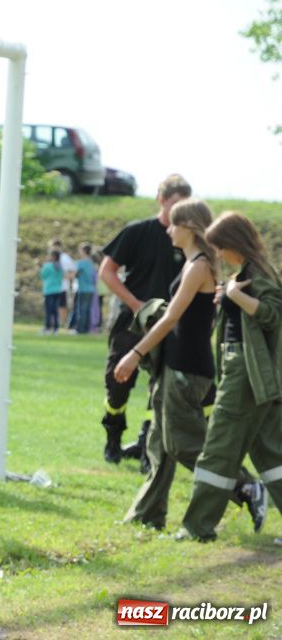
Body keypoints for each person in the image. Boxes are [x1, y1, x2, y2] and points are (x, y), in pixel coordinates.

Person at [114, 200, 262, 531]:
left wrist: (135, 353)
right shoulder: (191, 263)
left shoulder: (199, 267)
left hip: (186, 369)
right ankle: (148, 516)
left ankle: (246, 485)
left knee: (182, 443)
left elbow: (171, 319)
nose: (168, 229)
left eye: (174, 224)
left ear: (190, 227)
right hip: (178, 365)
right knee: (160, 444)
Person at [177, 212, 282, 542]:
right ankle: (199, 525)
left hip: (245, 373)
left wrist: (235, 296)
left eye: (220, 248)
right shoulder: (252, 272)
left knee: (218, 449)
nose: (218, 255)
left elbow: (272, 315)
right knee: (270, 453)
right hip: (251, 374)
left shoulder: (257, 275)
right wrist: (230, 297)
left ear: (234, 244)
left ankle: (197, 528)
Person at [98, 175, 189, 466]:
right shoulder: (138, 231)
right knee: (118, 383)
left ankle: (145, 444)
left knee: (160, 389)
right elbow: (107, 272)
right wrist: (137, 305)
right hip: (132, 321)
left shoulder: (189, 239)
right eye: (175, 203)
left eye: (185, 205)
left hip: (171, 325)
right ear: (161, 200)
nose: (180, 210)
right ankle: (113, 440)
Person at [73, 243, 96, 335]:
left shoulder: (81, 263)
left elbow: (75, 274)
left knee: (81, 310)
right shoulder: (91, 262)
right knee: (87, 310)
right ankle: (86, 329)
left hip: (83, 289)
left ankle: (80, 329)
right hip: (91, 289)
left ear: (83, 251)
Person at [40, 250, 64, 335]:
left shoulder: (48, 266)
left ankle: (47, 328)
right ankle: (56, 328)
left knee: (48, 310)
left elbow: (42, 275)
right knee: (55, 310)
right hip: (58, 290)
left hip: (49, 290)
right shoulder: (60, 266)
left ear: (53, 256)